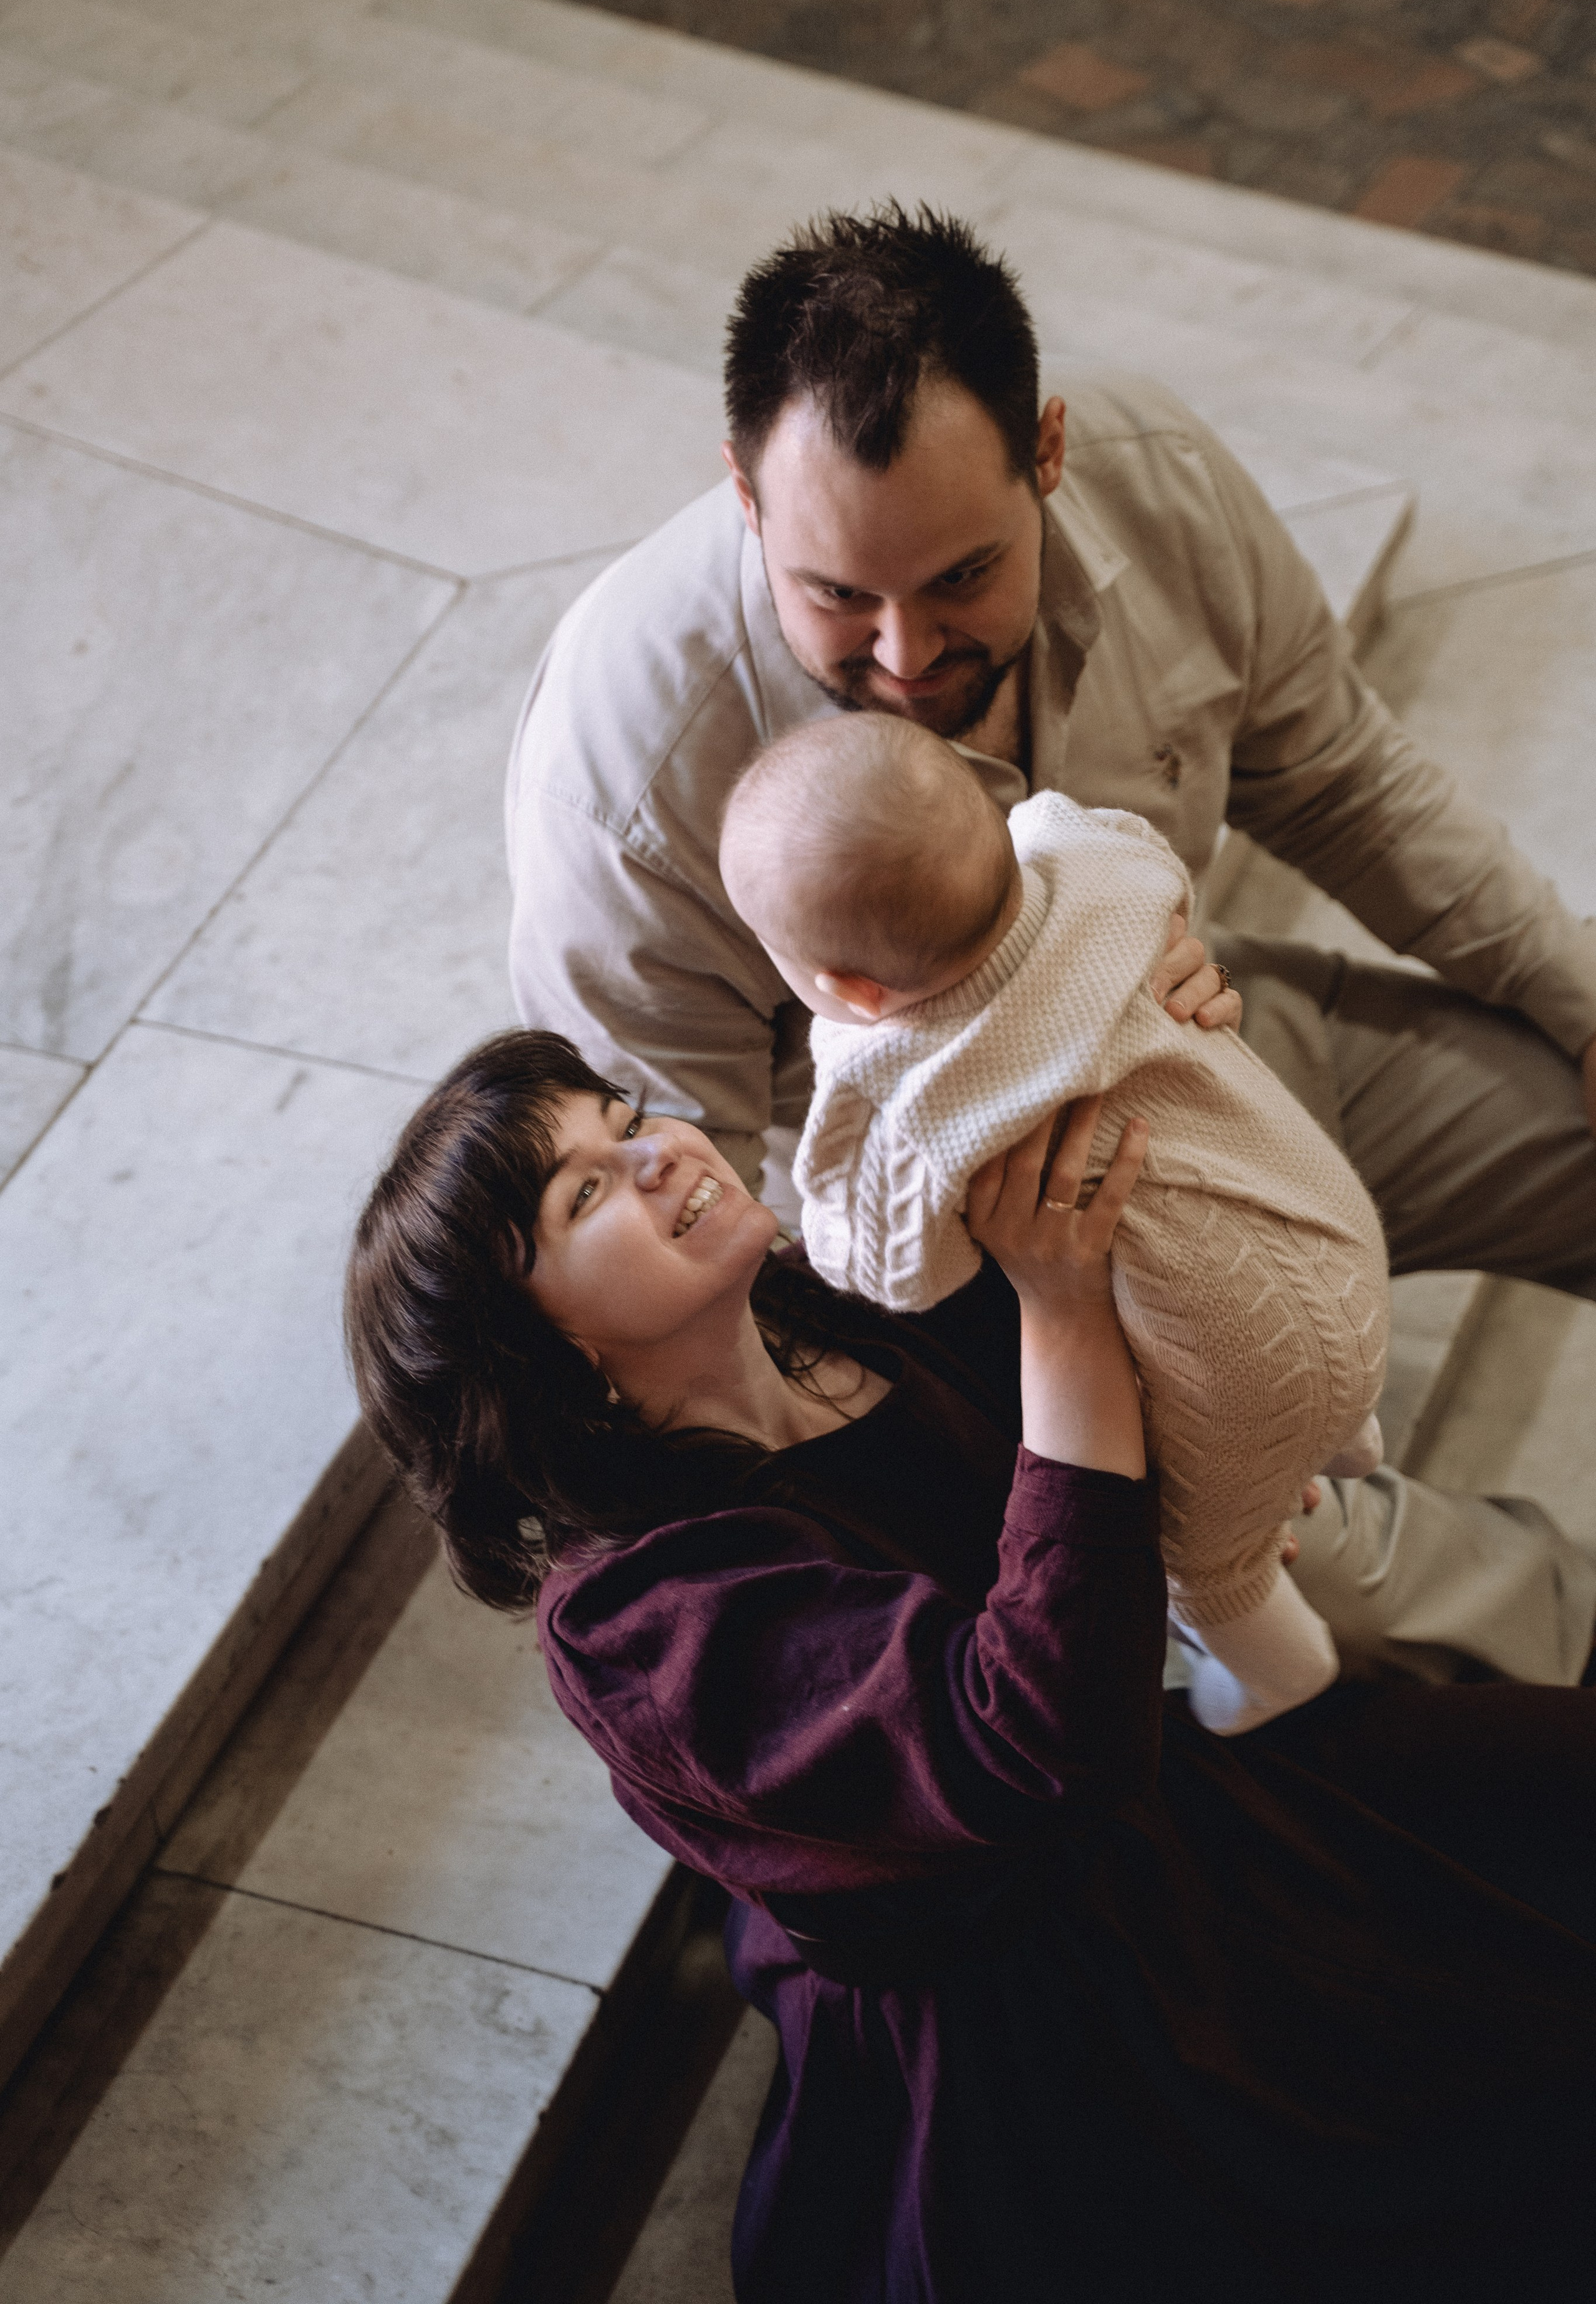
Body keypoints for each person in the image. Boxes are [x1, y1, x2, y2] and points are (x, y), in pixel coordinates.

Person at [504, 203, 1596, 1689]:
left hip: (1217, 1058)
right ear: (745, 499)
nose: (902, 656)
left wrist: (1578, 1007)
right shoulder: (621, 774)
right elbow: (714, 1243)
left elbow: (1340, 778)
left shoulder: (1164, 483)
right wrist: (1060, 1411)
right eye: (837, 596)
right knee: (1324, 1562)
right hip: (997, 1278)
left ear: (1051, 457)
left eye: (961, 578)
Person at [345, 1029, 1596, 2303]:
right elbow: (1032, 1740)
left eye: (624, 1121)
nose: (657, 1155)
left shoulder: (807, 1302)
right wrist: (1059, 1316)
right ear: (547, 1355)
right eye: (586, 1191)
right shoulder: (632, 1623)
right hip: (1051, 1995)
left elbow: (1095, 1451)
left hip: (1164, 1801)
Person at [721, 712, 1387, 1734]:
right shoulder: (1090, 857)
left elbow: (891, 1272)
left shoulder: (901, 1090)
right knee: (1309, 1386)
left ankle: (1279, 1676)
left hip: (1242, 1349)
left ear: (849, 987)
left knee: (1201, 1563)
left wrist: (847, 1056)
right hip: (1330, 1229)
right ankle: (1342, 1439)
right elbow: (1142, 852)